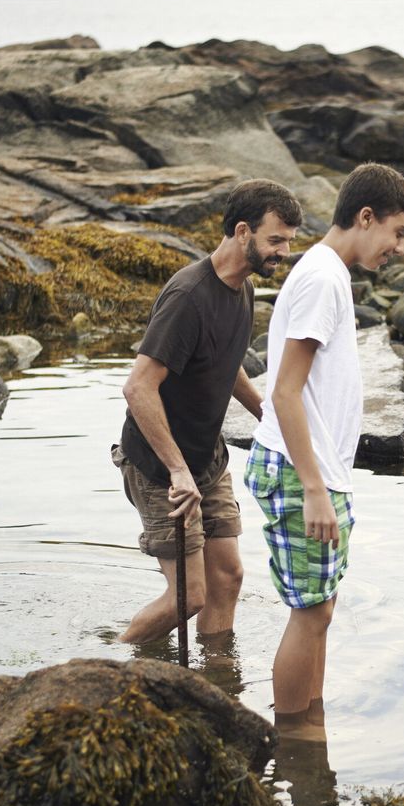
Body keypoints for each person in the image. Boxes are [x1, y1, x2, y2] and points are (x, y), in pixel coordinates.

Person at [245, 162, 404, 737]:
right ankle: (296, 741)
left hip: (311, 468)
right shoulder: (323, 278)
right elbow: (285, 389)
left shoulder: (324, 273)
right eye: (398, 232)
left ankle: (310, 724)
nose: (400, 248)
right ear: (365, 216)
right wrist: (317, 488)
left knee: (317, 611)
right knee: (311, 612)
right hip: (305, 474)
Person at [114, 179, 302, 644]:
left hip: (207, 459)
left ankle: (216, 678)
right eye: (275, 240)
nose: (283, 252)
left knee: (228, 578)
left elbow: (225, 359)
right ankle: (111, 665)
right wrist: (177, 471)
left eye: (288, 243)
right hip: (161, 468)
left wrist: (267, 413)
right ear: (243, 231)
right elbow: (138, 387)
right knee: (188, 596)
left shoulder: (243, 288)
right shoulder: (188, 296)